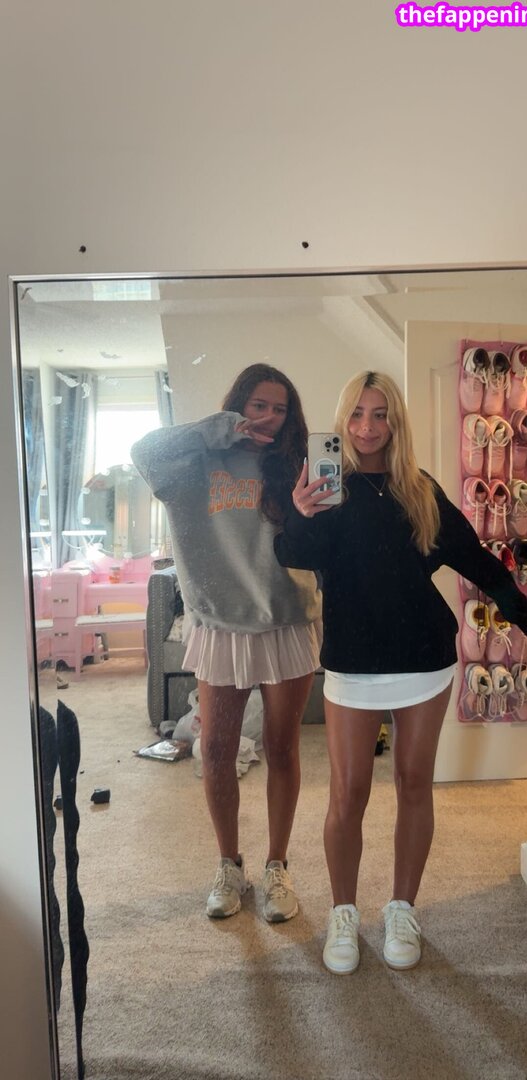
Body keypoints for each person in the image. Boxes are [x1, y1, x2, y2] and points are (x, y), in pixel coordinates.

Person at [274, 370, 527, 975]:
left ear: (396, 422)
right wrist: (301, 512)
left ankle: (401, 908)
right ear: (343, 420)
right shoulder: (325, 488)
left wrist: (524, 611)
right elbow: (294, 554)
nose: (367, 427)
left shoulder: (419, 490)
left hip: (423, 657)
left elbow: (471, 556)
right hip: (352, 661)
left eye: (380, 414)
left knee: (414, 785)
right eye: (357, 414)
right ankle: (343, 912)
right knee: (348, 794)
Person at [131, 364, 321, 922]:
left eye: (279, 409)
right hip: (219, 622)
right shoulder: (192, 464)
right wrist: (216, 430)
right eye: (258, 405)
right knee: (215, 749)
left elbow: (322, 542)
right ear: (237, 405)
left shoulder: (294, 464)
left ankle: (277, 865)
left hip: (286, 617)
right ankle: (228, 864)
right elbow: (143, 451)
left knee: (283, 747)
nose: (269, 418)